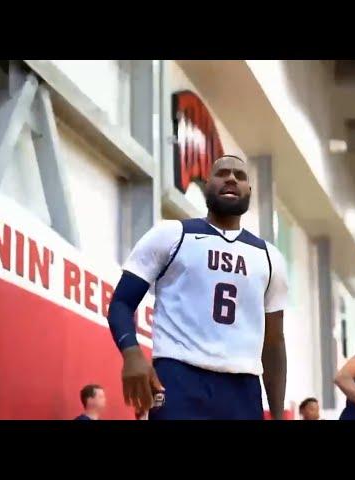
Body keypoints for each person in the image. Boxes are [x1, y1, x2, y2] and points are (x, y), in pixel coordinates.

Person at [107, 155, 288, 420]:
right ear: (207, 184)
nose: (231, 179)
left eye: (240, 176)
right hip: (179, 377)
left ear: (249, 190)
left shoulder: (270, 257)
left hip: (244, 388)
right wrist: (131, 353)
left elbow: (273, 343)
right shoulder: (171, 234)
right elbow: (121, 303)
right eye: (222, 173)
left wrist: (278, 414)